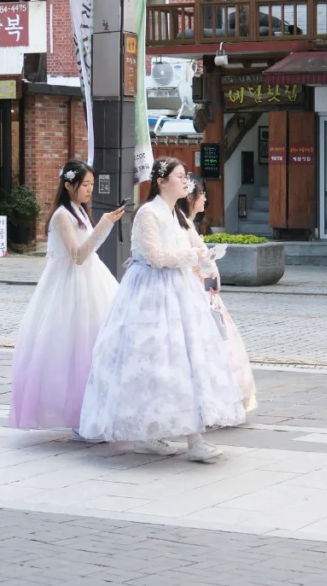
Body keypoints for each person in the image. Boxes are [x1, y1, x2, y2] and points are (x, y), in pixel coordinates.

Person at [78, 157, 245, 463]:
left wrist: (209, 265)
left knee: (184, 360)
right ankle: (180, 439)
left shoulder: (178, 215)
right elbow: (155, 257)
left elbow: (198, 248)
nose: (186, 182)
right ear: (161, 181)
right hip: (151, 294)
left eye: (185, 177)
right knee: (157, 361)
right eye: (180, 176)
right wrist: (193, 256)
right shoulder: (148, 213)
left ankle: (175, 436)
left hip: (180, 291)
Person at [8, 160, 125, 431]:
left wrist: (103, 224)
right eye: (85, 185)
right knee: (73, 347)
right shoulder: (62, 216)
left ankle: (91, 410)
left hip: (91, 280)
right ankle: (76, 413)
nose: (90, 190)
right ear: (69, 185)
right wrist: (105, 225)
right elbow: (77, 256)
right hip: (70, 286)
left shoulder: (79, 211)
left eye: (91, 185)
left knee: (94, 342)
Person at [178, 174, 257, 413]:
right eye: (202, 195)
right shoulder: (182, 223)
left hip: (199, 286)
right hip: (192, 289)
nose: (205, 200)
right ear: (190, 196)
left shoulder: (186, 222)